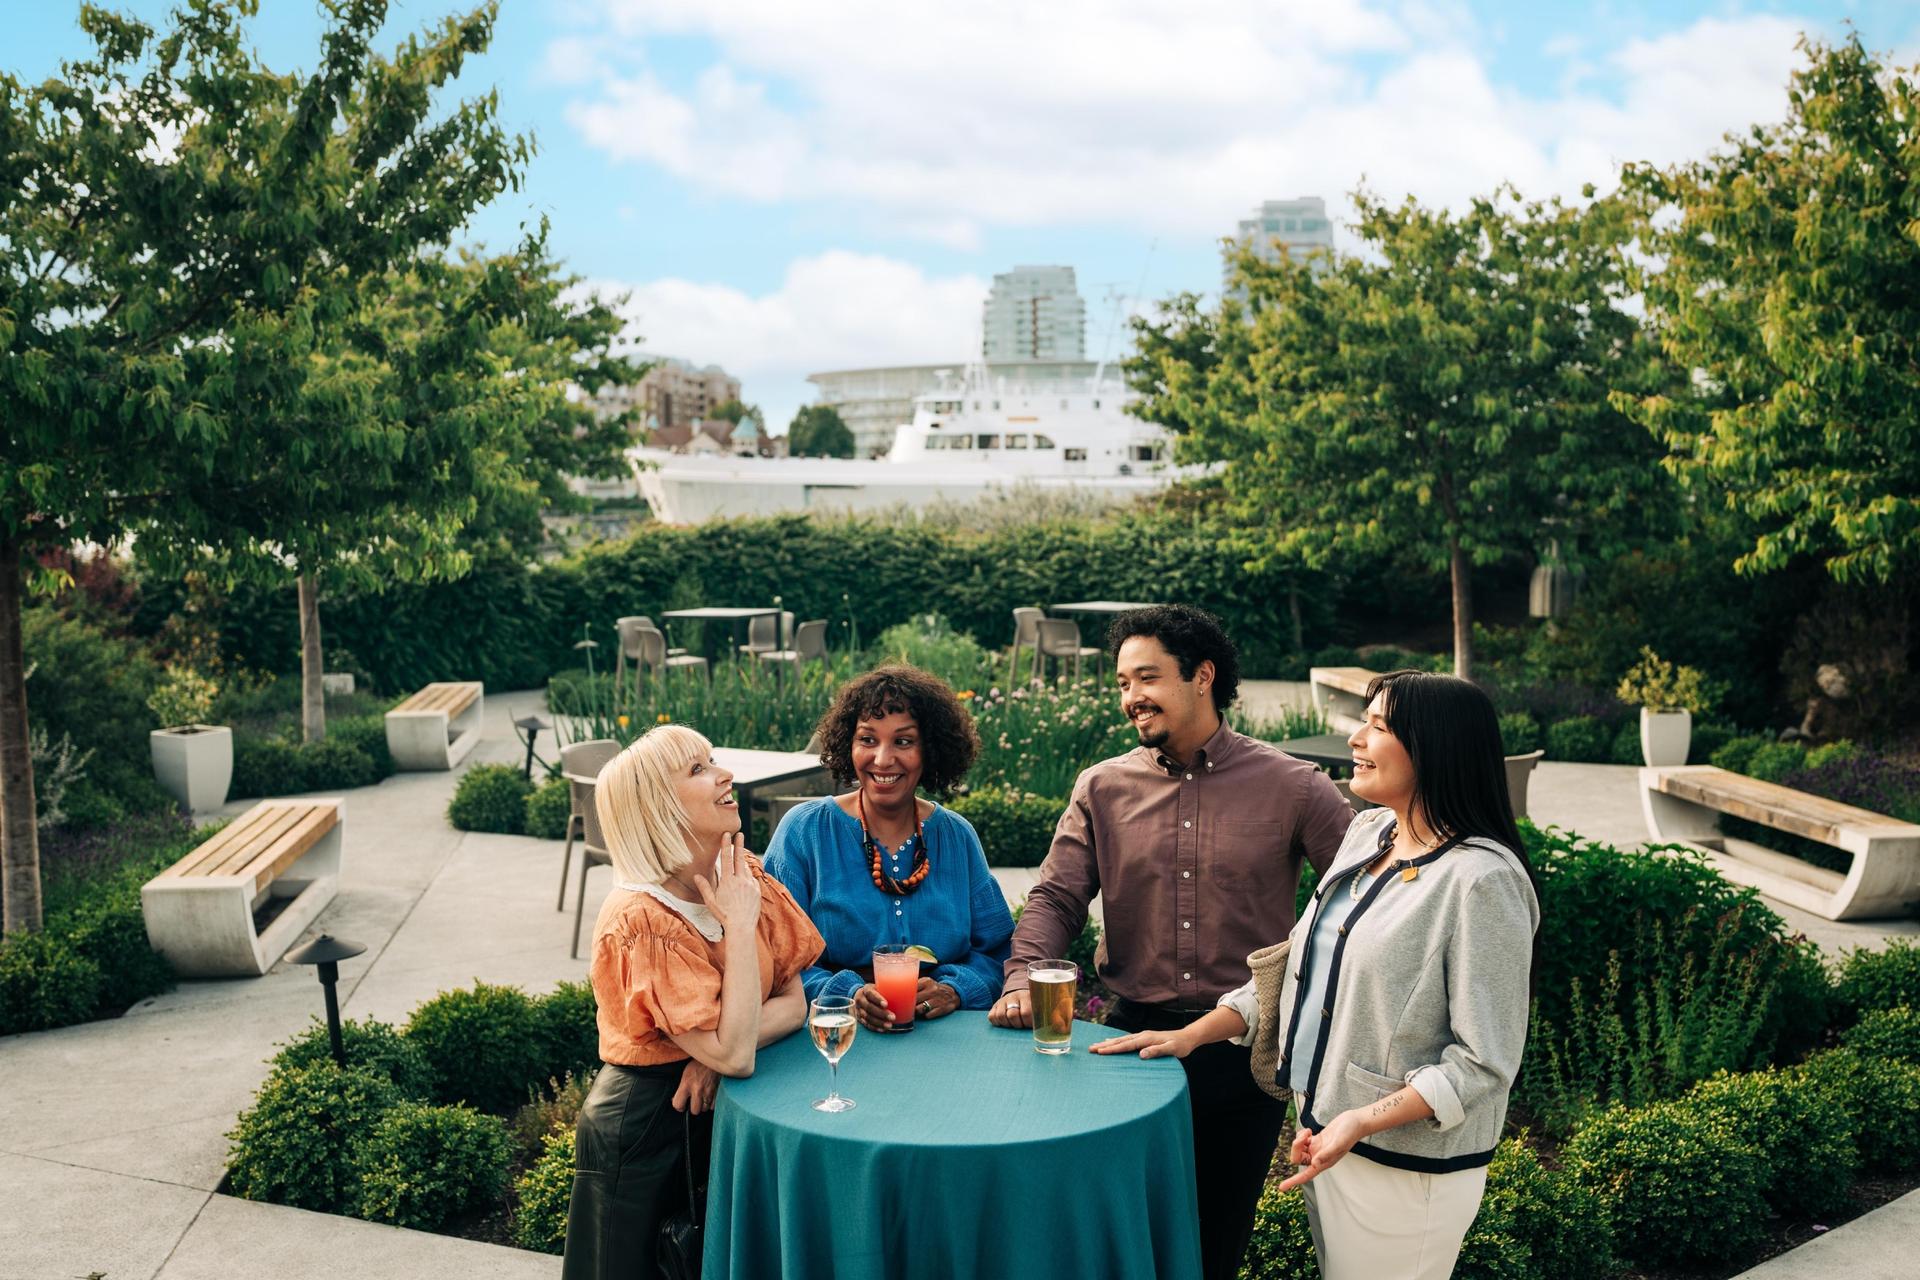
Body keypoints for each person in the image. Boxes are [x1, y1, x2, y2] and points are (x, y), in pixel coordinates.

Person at [1095, 670, 1541, 1280]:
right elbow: (1298, 965)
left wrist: (1362, 1118)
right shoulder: (1368, 834)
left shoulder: (1482, 881)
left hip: (1404, 1164)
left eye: (1379, 727)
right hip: (1326, 1132)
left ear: (1435, 747)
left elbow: (1485, 1060)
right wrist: (1194, 1033)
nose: (1356, 739)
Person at [990, 604, 1352, 1280]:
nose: (1131, 698)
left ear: (1202, 676)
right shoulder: (1101, 787)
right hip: (1130, 1047)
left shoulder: (1295, 787)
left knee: (1216, 1245)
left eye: (1146, 678)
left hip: (1244, 1050)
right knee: (1122, 1243)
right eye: (1123, 683)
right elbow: (1057, 898)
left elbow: (1367, 903)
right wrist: (1022, 979)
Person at [564, 725, 824, 1280]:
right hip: (643, 1129)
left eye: (712, 760)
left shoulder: (742, 873)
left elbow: (794, 1003)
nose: (724, 775)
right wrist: (737, 927)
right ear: (659, 806)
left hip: (714, 1112)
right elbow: (737, 1052)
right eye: (699, 770)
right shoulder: (641, 920)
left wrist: (711, 1052)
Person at [767, 665, 1014, 1031]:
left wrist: (955, 989)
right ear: (847, 744)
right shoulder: (805, 832)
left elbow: (998, 952)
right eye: (867, 739)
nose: (882, 760)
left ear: (930, 749)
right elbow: (774, 957)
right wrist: (847, 993)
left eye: (903, 741)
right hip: (836, 1039)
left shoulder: (957, 837)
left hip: (948, 1040)